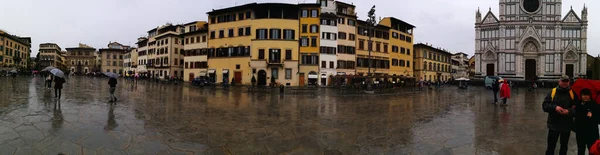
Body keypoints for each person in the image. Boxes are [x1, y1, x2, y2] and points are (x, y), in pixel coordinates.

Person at [543, 75, 578, 155]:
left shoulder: (572, 93)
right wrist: (555, 107)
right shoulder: (553, 91)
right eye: (563, 81)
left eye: (566, 81)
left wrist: (569, 111)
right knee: (551, 146)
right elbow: (545, 105)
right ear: (559, 82)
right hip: (554, 124)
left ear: (569, 82)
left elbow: (577, 107)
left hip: (566, 124)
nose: (565, 83)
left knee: (564, 146)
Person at [575, 88, 600, 155]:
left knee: (592, 150)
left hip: (592, 133)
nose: (585, 97)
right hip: (581, 132)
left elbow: (599, 119)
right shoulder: (578, 105)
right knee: (580, 150)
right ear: (581, 96)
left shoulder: (595, 105)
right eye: (583, 95)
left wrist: (593, 115)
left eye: (587, 95)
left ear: (590, 96)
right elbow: (577, 117)